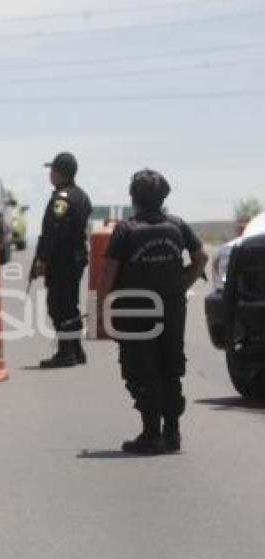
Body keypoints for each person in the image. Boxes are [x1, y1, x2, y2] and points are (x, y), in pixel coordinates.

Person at [98, 169, 208, 454]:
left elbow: (107, 275)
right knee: (170, 366)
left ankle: (151, 434)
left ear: (134, 197)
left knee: (140, 368)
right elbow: (201, 258)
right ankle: (171, 433)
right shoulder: (177, 225)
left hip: (136, 311)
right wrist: (181, 284)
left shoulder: (125, 229)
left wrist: (101, 311)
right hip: (171, 308)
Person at [31, 152, 92, 368]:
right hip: (75, 258)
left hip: (62, 259)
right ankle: (75, 350)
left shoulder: (62, 198)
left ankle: (66, 352)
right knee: (70, 304)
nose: (50, 175)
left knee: (58, 305)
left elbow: (54, 232)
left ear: (59, 173)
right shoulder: (81, 195)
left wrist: (42, 259)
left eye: (52, 170)